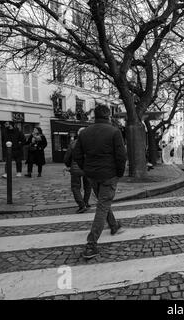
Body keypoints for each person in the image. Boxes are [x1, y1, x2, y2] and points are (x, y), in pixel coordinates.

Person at [73, 105, 127, 259]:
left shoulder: (85, 132)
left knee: (103, 202)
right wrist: (120, 173)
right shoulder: (114, 132)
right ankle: (91, 244)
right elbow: (121, 156)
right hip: (109, 174)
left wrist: (85, 168)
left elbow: (76, 155)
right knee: (103, 206)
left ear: (94, 116)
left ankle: (114, 226)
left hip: (92, 175)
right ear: (108, 115)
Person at [64, 128, 92, 214]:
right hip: (87, 168)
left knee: (75, 187)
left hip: (76, 167)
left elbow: (67, 157)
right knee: (88, 186)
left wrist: (69, 165)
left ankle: (81, 205)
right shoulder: (90, 143)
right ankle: (86, 202)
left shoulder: (73, 143)